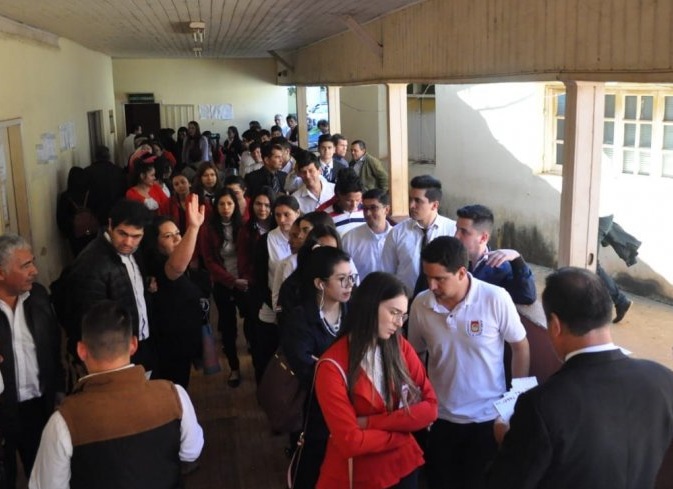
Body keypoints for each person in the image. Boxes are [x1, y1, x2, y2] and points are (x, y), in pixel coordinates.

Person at [486, 267, 673, 489]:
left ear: (555, 325)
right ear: (607, 312)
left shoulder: (540, 405)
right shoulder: (663, 379)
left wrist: (505, 437)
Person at [29, 301, 204, 489]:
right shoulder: (173, 395)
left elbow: (47, 485)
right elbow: (191, 452)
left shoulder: (64, 421)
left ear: (81, 350)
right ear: (133, 344)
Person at [408, 236, 529, 489]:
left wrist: (515, 399)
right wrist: (420, 399)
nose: (432, 285)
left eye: (440, 279)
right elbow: (415, 354)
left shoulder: (495, 298)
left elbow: (520, 346)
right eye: (428, 277)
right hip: (440, 419)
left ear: (462, 272)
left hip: (487, 419)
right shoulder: (421, 304)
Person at [315, 272, 438, 489]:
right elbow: (350, 441)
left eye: (403, 316)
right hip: (361, 475)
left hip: (404, 466)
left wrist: (369, 423)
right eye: (394, 313)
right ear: (370, 306)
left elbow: (431, 408)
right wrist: (400, 434)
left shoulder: (399, 346)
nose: (399, 323)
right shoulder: (332, 366)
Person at [281, 246, 355, 489]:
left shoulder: (353, 311)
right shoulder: (300, 319)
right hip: (316, 408)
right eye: (342, 279)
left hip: (353, 405)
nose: (349, 285)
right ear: (320, 283)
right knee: (317, 464)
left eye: (351, 277)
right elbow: (305, 369)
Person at [0, 234, 64, 489]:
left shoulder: (38, 296)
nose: (34, 271)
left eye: (33, 262)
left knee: (42, 475)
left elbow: (53, 348)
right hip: (3, 408)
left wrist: (59, 389)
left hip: (38, 406)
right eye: (25, 265)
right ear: (1, 273)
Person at [64, 199, 156, 372]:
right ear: (110, 224)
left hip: (138, 344)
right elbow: (88, 320)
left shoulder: (134, 252)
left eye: (136, 236)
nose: (128, 242)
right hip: (114, 356)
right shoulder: (91, 264)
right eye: (122, 233)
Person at [144, 194, 207, 388]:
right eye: (168, 236)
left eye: (178, 233)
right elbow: (176, 267)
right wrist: (193, 228)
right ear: (155, 242)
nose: (177, 238)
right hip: (170, 348)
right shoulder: (160, 267)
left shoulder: (178, 263)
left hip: (184, 343)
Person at [250, 195, 301, 383]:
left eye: (287, 214)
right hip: (271, 305)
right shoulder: (266, 240)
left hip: (298, 309)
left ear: (298, 213)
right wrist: (277, 305)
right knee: (268, 354)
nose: (282, 219)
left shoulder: (307, 238)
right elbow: (260, 279)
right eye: (278, 215)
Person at [199, 188, 246, 388]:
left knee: (251, 323)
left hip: (244, 282)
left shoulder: (243, 225)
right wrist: (231, 280)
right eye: (221, 204)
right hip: (223, 283)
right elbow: (209, 261)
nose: (226, 208)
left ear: (235, 205)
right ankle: (234, 367)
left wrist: (244, 279)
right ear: (215, 206)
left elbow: (250, 256)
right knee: (228, 327)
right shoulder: (208, 229)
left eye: (229, 203)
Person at [381, 175, 456, 297]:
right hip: (406, 300)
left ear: (434, 205)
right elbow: (387, 273)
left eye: (418, 201)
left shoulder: (453, 230)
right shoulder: (397, 232)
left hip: (442, 301)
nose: (411, 205)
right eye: (410, 199)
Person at [454, 204, 536, 305]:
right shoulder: (451, 259)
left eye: (464, 232)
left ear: (483, 238)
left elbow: (527, 296)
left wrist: (517, 259)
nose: (456, 236)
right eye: (457, 229)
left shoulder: (499, 267)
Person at [342, 188, 393, 280]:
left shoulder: (397, 237)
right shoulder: (349, 239)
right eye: (365, 209)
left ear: (386, 209)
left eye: (373, 208)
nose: (368, 213)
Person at [56, 166, 97, 257]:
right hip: (91, 233)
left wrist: (69, 232)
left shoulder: (65, 197)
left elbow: (61, 219)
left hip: (75, 236)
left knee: (79, 257)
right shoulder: (90, 193)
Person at [84, 145, 126, 226]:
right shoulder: (118, 170)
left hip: (96, 212)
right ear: (109, 157)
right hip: (115, 209)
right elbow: (124, 191)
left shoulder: (88, 171)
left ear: (95, 157)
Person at [319, 168, 365, 236]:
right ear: (338, 196)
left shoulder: (368, 208)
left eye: (358, 200)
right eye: (349, 201)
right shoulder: (324, 214)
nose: (354, 205)